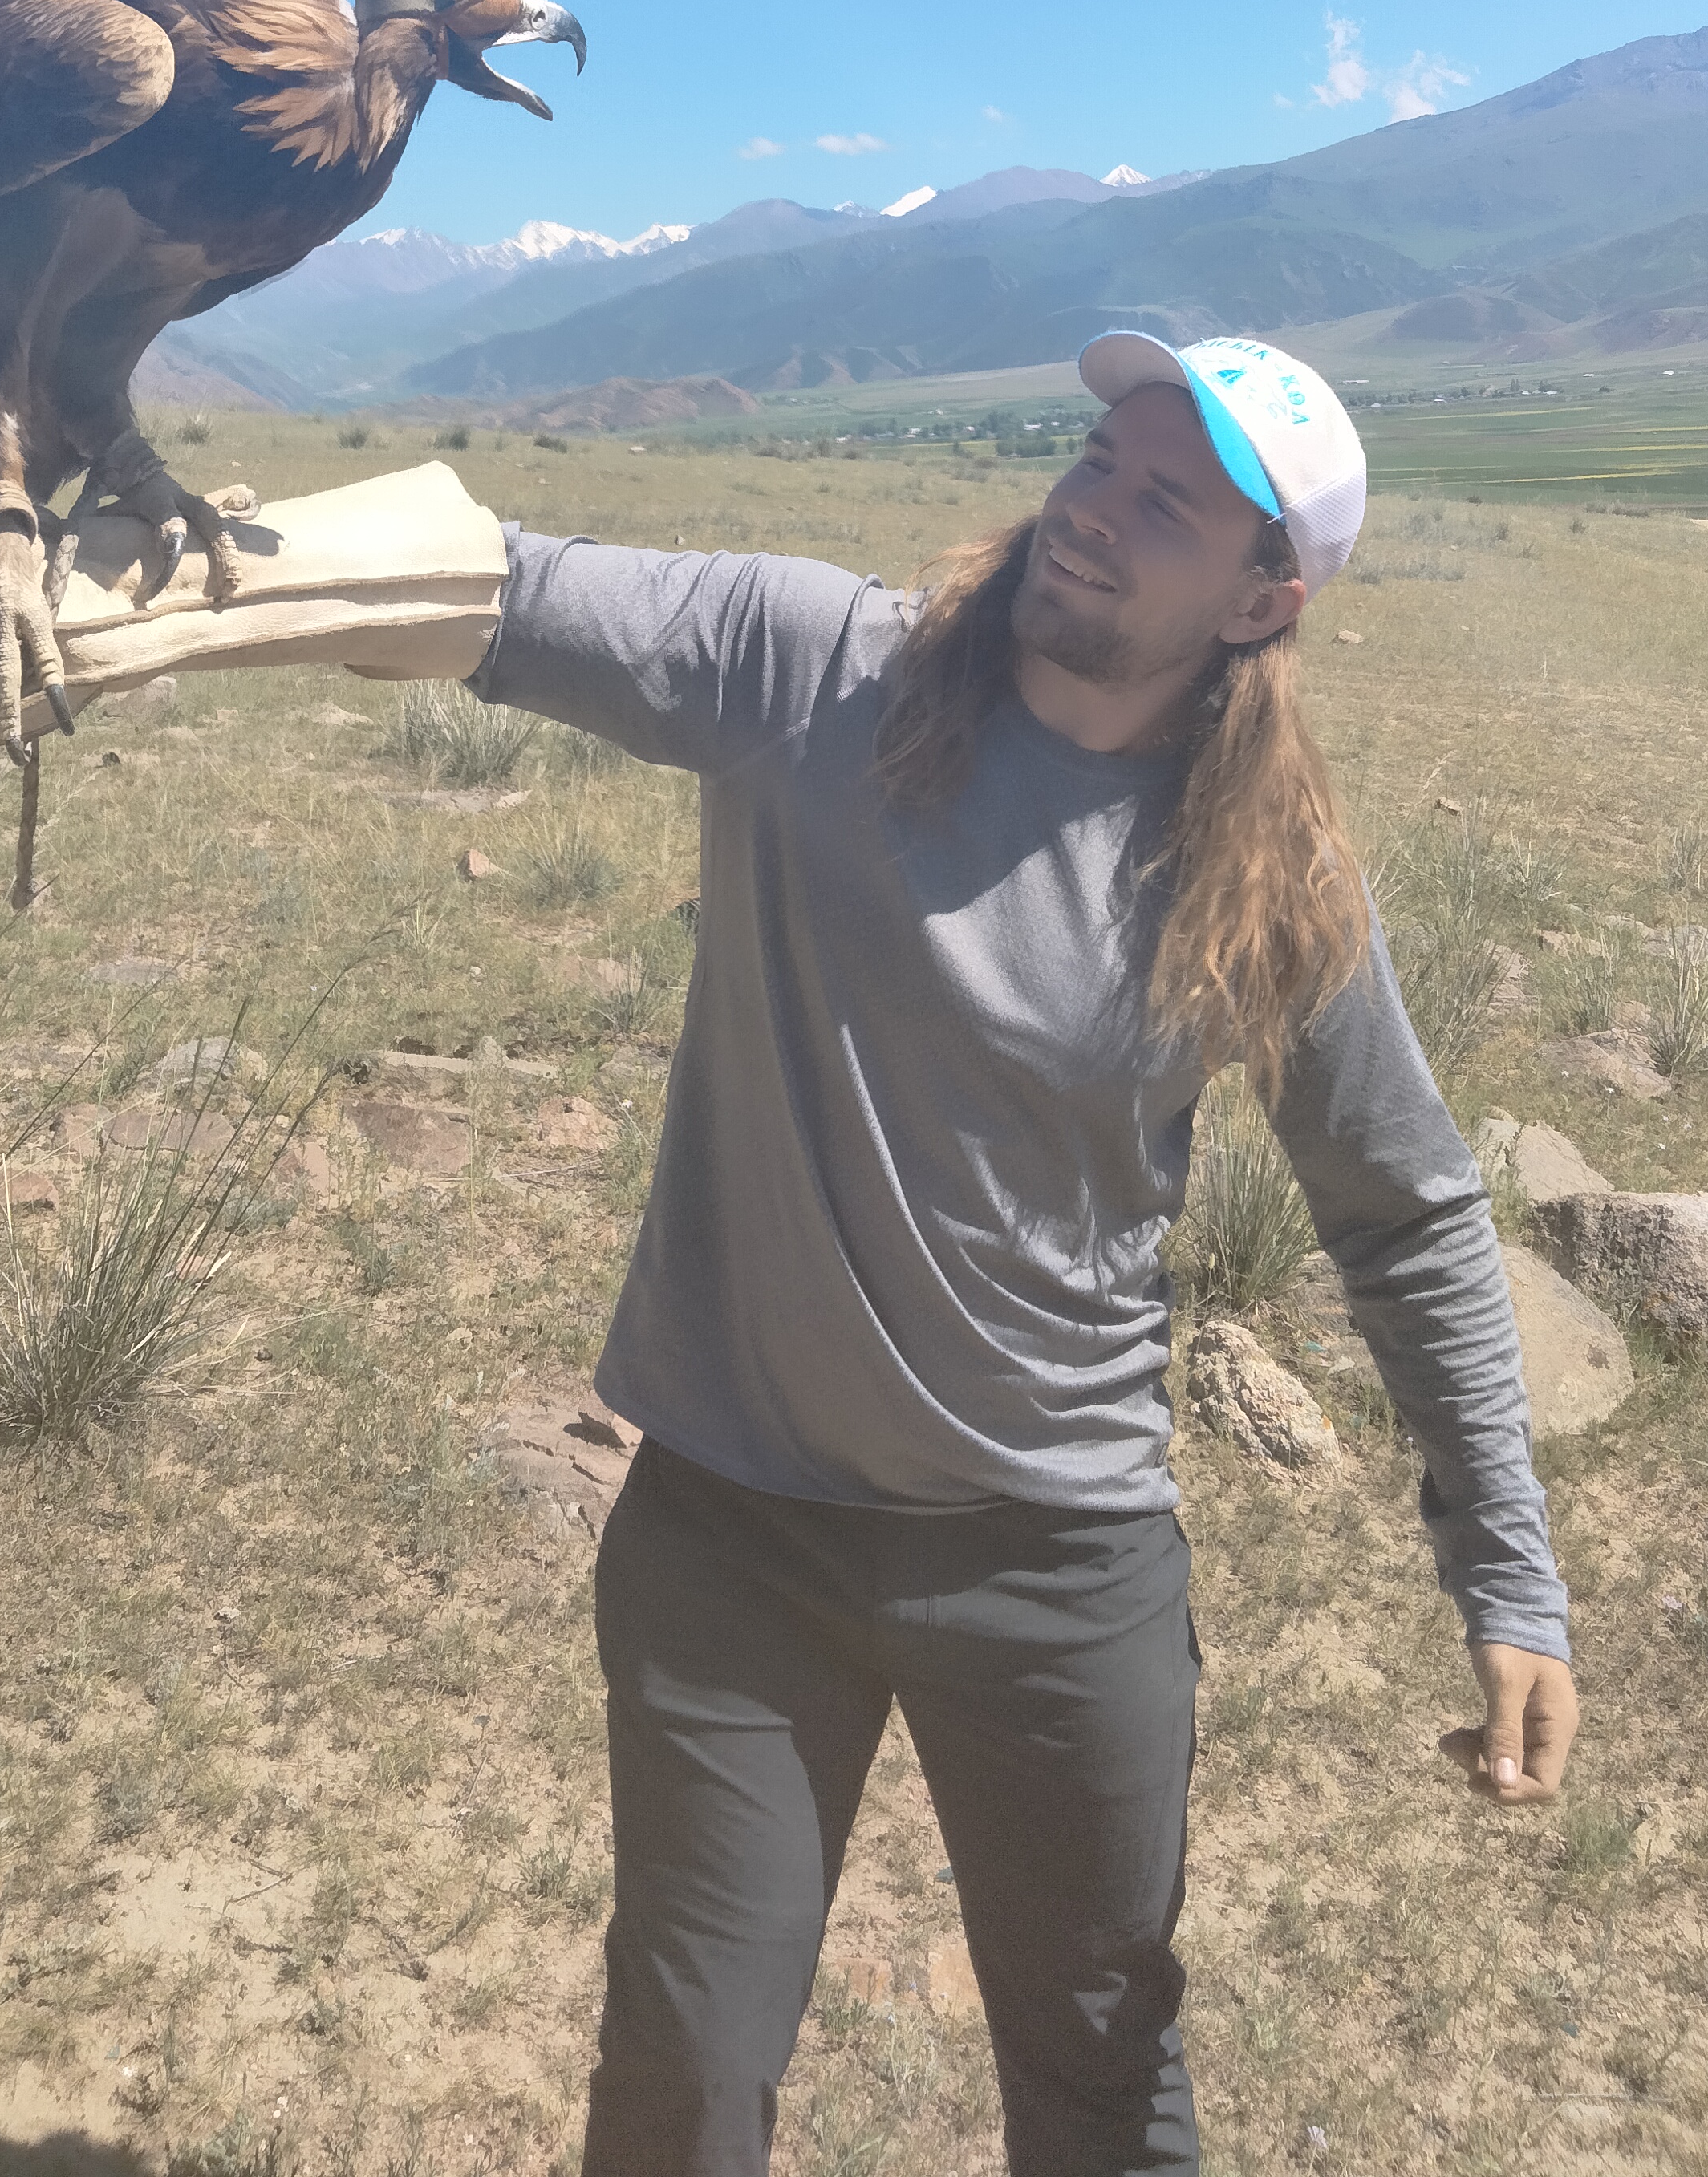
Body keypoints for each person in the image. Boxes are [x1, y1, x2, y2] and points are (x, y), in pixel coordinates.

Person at [468, 331, 1580, 2177]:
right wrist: (136, 573)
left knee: (1100, 2073)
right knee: (683, 2071)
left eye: (1166, 500)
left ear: (1263, 594)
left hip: (1059, 1565)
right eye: (1095, 456)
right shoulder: (816, 668)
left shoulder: (1266, 864)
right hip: (737, 1531)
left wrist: (1510, 1577)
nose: (1091, 509)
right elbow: (496, 585)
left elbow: (1406, 1213)